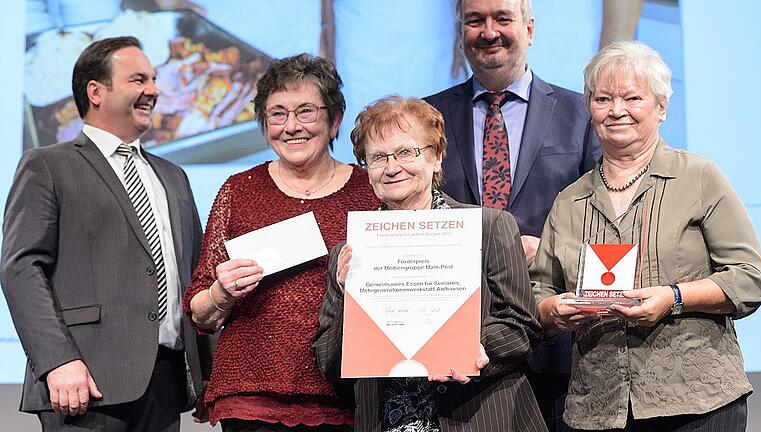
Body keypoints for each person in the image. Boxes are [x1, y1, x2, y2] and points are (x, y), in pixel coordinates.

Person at [531, 41, 761, 431]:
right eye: (603, 98)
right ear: (589, 109)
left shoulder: (699, 178)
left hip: (697, 405)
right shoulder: (569, 201)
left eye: (632, 97)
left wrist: (674, 297)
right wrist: (551, 312)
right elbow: (538, 291)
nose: (617, 110)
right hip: (596, 411)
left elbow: (751, 278)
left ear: (661, 107)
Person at [1, 36, 209, 431]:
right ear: (95, 91)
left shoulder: (173, 176)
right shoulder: (47, 165)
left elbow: (195, 277)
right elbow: (21, 270)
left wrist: (205, 375)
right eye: (138, 80)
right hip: (84, 381)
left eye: (153, 79)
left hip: (163, 383)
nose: (154, 90)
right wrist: (58, 360)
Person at [313, 96, 546, 432]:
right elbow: (328, 363)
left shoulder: (490, 227)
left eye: (406, 152)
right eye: (377, 157)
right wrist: (349, 295)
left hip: (479, 417)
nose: (391, 168)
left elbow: (523, 325)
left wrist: (476, 349)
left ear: (436, 157)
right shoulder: (348, 253)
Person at [424, 1, 601, 429]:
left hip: (558, 349)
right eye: (475, 20)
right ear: (460, 30)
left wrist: (550, 252)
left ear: (530, 28)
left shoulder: (582, 114)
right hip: (456, 353)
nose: (489, 32)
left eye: (502, 19)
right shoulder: (426, 118)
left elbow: (608, 221)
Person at [182, 53, 379, 432]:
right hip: (250, 397)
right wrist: (223, 292)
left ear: (334, 119)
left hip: (344, 394)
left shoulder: (368, 191)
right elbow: (199, 312)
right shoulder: (239, 190)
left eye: (306, 111)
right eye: (277, 114)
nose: (291, 126)